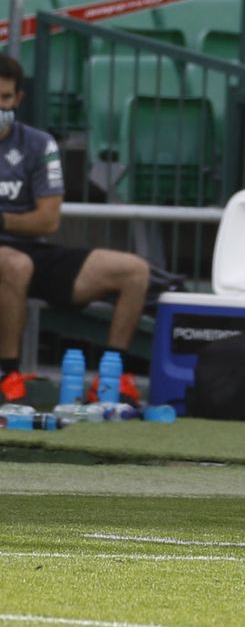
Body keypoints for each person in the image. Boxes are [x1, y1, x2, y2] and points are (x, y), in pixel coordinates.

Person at [0, 53, 148, 404]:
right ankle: (8, 374)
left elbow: (48, 219)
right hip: (11, 260)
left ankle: (112, 379)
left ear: (18, 99)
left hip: (30, 250)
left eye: (5, 98)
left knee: (133, 272)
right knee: (14, 265)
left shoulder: (39, 144)